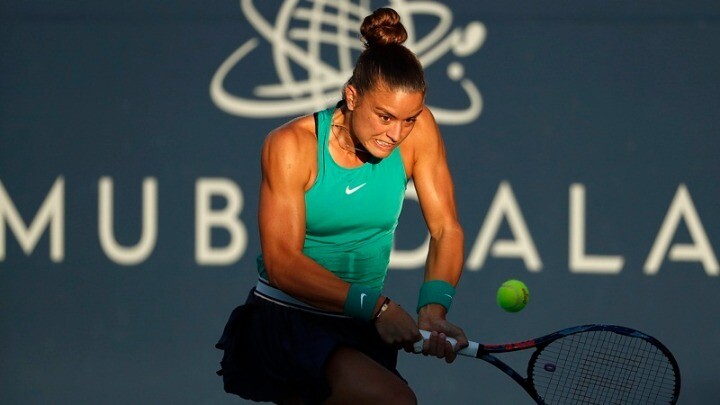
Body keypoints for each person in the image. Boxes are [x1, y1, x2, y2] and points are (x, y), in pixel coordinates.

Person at [215, 7, 467, 404]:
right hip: (288, 321)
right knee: (395, 400)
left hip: (359, 323)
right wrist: (378, 308)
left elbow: (445, 229)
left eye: (409, 120)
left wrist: (433, 310)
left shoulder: (420, 132)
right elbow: (282, 263)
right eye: (385, 117)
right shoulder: (291, 145)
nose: (396, 133)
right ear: (352, 96)